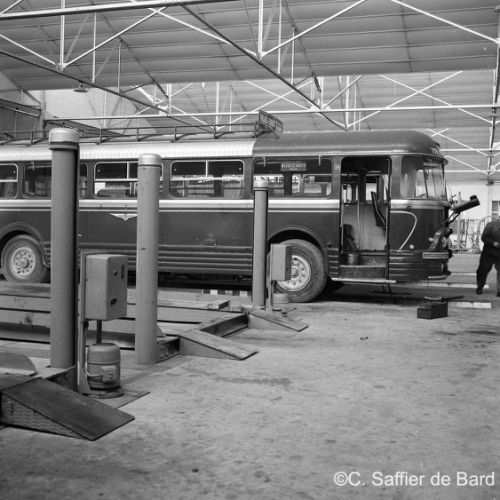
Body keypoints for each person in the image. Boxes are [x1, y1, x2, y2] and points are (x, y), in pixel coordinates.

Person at [476, 217, 500, 296]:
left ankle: (499, 291)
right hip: (488, 252)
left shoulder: (490, 225)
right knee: (483, 270)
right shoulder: (491, 225)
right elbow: (483, 237)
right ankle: (480, 287)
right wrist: (493, 243)